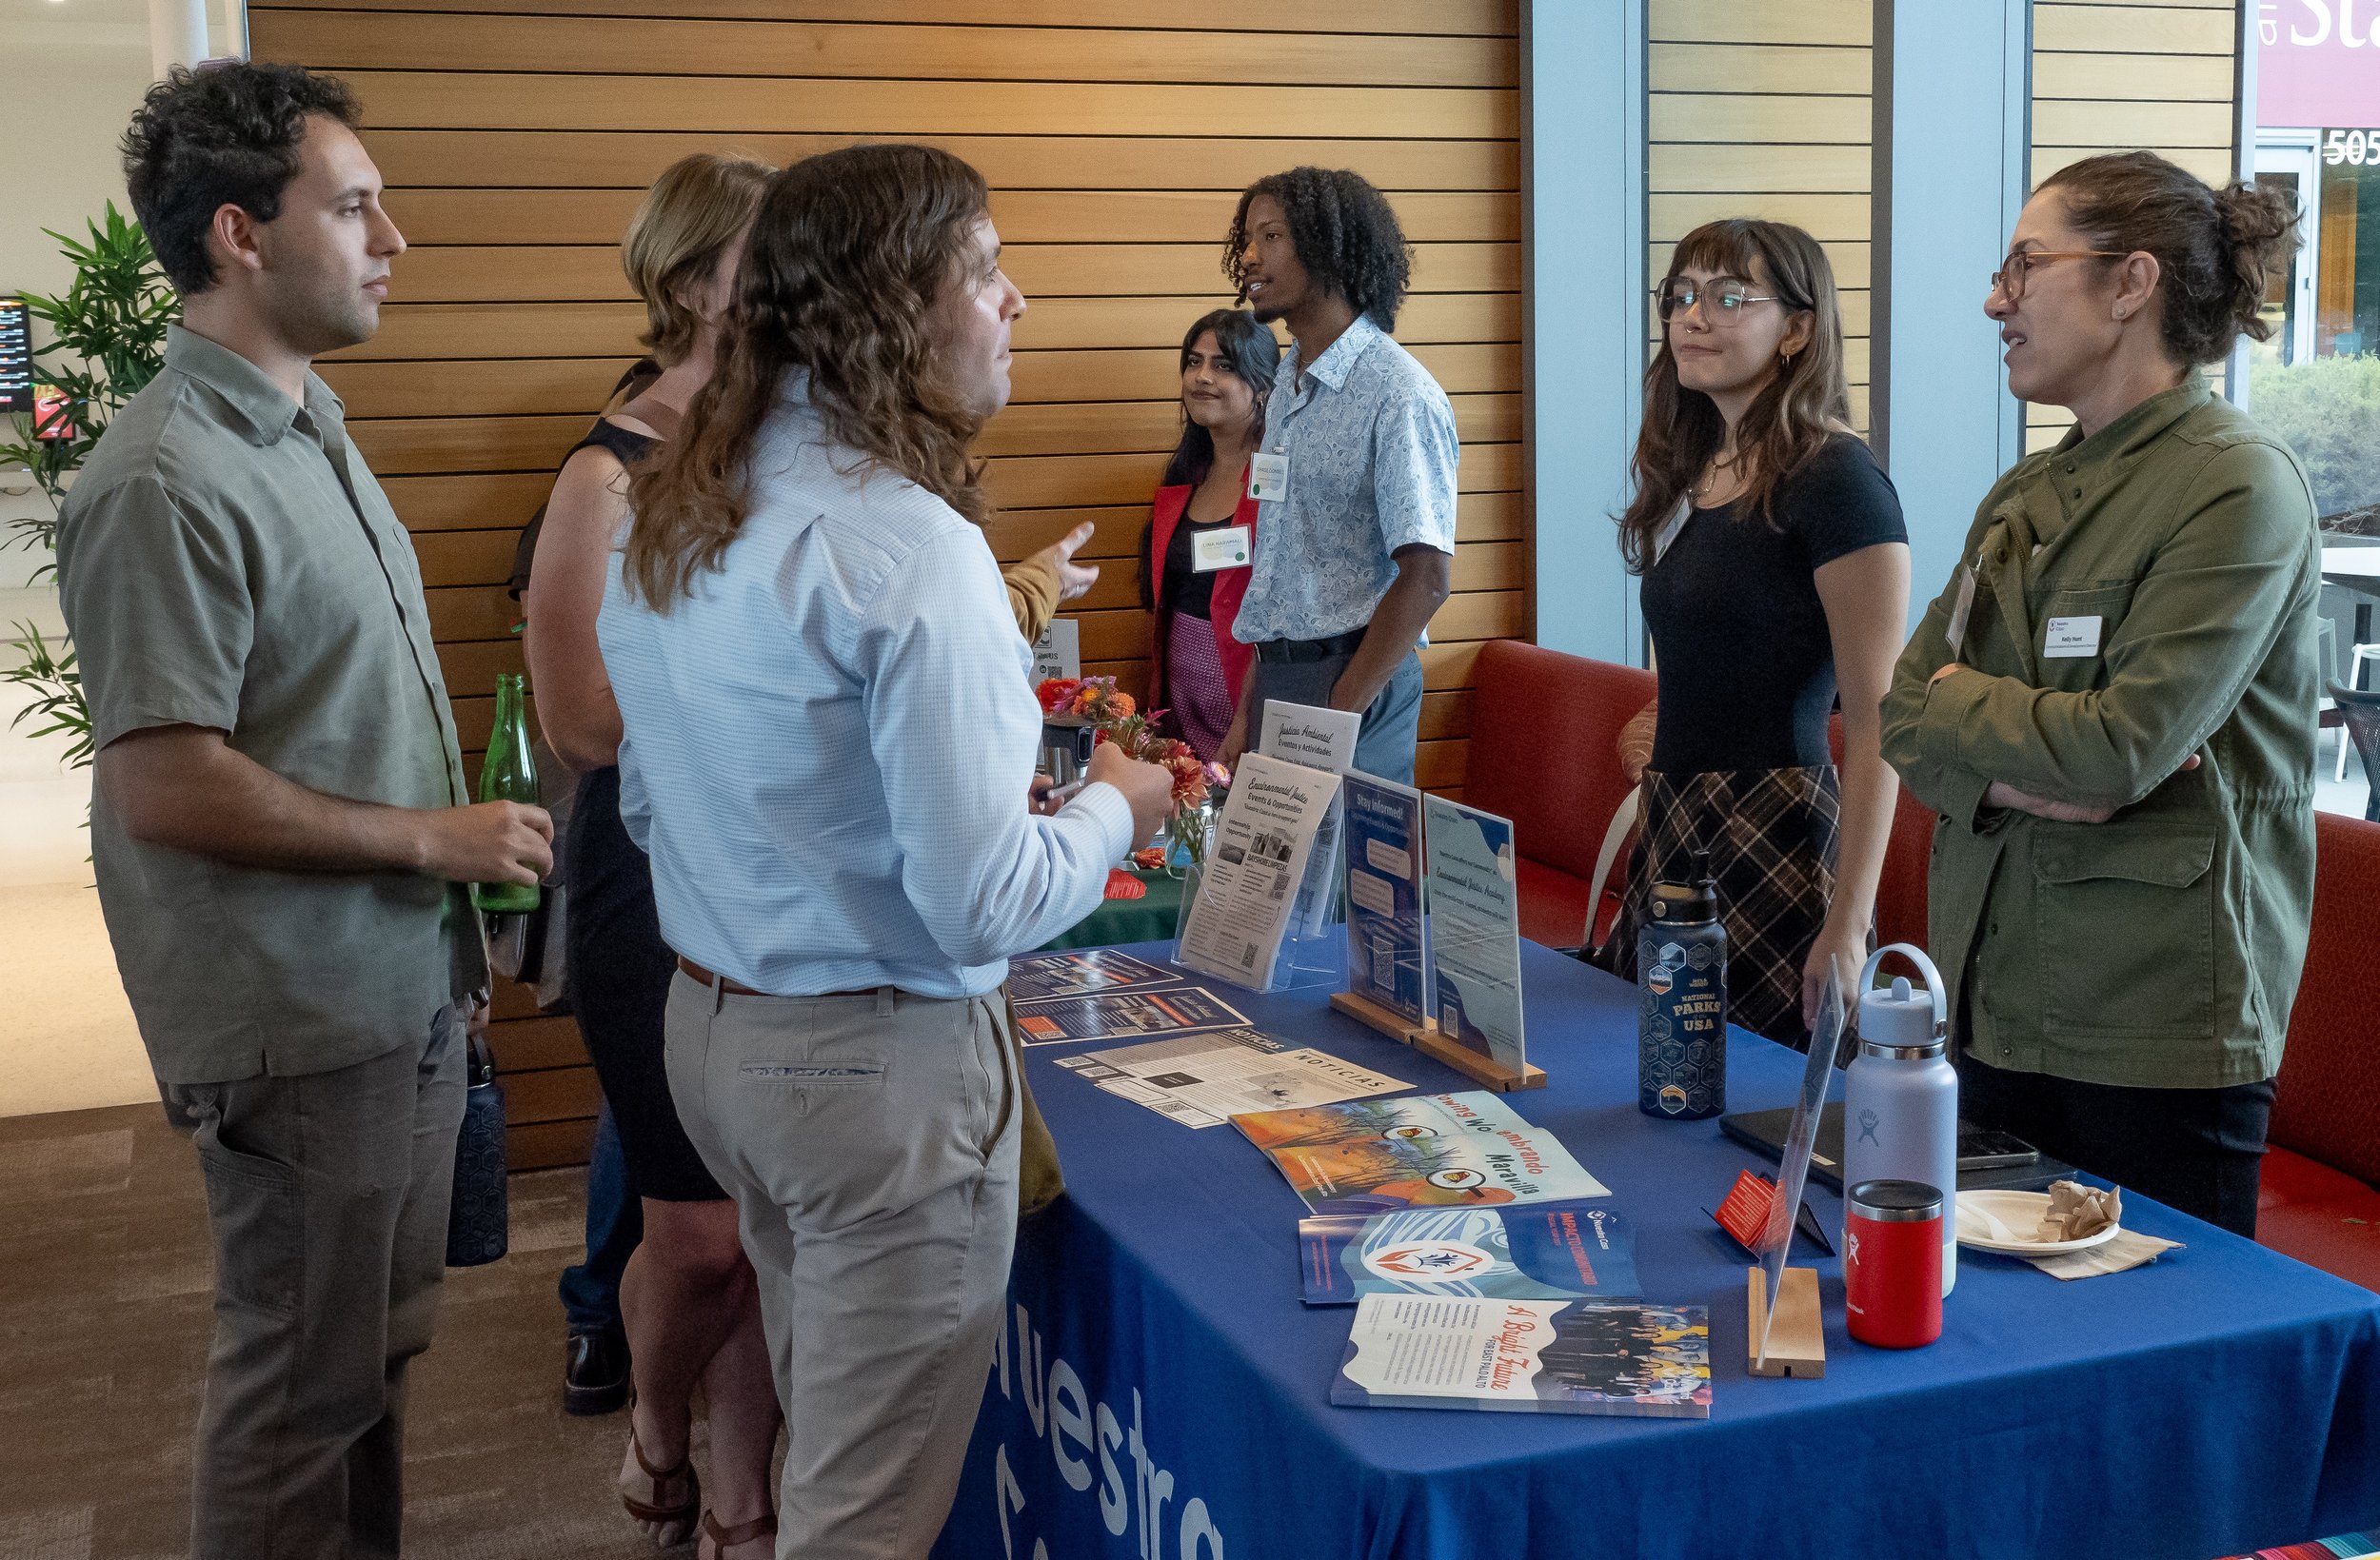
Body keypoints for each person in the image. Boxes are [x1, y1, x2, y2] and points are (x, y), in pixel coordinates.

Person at [598, 144, 1174, 1559]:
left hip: (717, 1033)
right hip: (872, 1074)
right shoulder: (907, 546)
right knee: (859, 1520)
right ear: (889, 307)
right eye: (984, 268)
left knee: (827, 1438)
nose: (1017, 300)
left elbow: (653, 808)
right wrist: (1117, 808)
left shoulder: (679, 505)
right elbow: (982, 900)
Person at [55, 64, 553, 1558]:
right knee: (295, 1397)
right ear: (239, 235)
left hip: (392, 983)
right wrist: (433, 844)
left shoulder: (308, 422)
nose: (393, 236)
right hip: (295, 1011)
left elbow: (335, 716)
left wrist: (450, 940)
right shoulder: (163, 473)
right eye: (353, 205)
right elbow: (165, 778)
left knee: (369, 1366)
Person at [1880, 151, 2316, 1236]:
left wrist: (1974, 720)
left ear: (2130, 284)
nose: (1995, 298)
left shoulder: (2235, 484)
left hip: (2148, 1030)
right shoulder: (2023, 491)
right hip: (1991, 1003)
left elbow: (2120, 748)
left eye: (2025, 265)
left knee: (2148, 1372)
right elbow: (1898, 715)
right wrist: (2031, 768)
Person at [525, 150, 783, 1557]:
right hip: (648, 885)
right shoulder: (606, 469)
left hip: (763, 879)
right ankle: (657, 1429)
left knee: (750, 1229)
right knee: (693, 1234)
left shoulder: (782, 445)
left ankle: (739, 1500)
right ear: (693, 283)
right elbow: (581, 720)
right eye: (767, 257)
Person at [1596, 220, 1910, 1045]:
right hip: (1673, 817)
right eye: (1682, 295)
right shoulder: (1698, 464)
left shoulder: (1839, 479)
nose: (1695, 316)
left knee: (1757, 1106)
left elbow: (1881, 720)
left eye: (1730, 297)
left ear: (1798, 330)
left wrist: (1848, 922)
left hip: (1776, 825)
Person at [1215, 167, 1458, 783]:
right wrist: (1249, 711)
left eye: (1270, 237)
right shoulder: (1286, 389)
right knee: (1272, 882)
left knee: (1348, 883)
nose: (1247, 257)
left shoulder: (1398, 393)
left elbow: (1427, 577)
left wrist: (1339, 709)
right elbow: (1279, 570)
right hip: (1278, 676)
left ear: (1328, 246)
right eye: (1246, 239)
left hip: (1354, 678)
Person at [1143, 308, 1278, 760]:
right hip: (1181, 703)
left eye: (1223, 365)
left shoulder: (1277, 483)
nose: (1201, 377)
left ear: (1261, 386)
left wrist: (1244, 722)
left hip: (1249, 708)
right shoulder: (1184, 477)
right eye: (1193, 361)